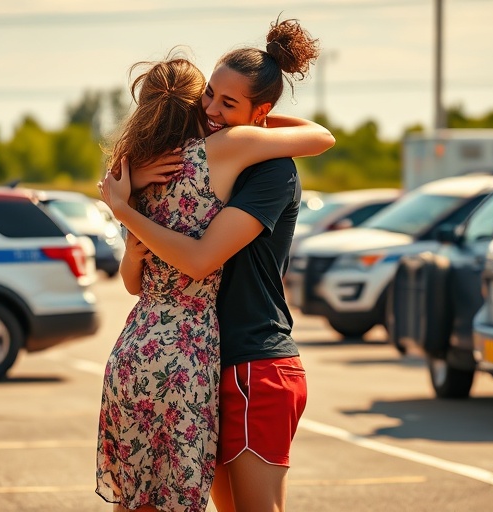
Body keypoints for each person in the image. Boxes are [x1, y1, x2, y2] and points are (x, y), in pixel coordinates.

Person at [96, 38, 332, 512]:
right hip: (200, 358)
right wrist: (253, 124)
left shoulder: (145, 171)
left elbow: (137, 281)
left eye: (227, 102)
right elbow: (320, 136)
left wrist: (124, 205)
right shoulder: (217, 153)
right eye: (208, 96)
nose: (213, 110)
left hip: (175, 351)